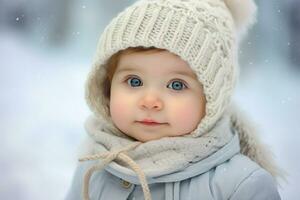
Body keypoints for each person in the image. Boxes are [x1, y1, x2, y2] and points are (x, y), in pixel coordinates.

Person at [65, 0, 284, 199]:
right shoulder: (95, 166)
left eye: (176, 85)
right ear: (107, 87)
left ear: (212, 99)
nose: (150, 101)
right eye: (134, 81)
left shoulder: (239, 185)